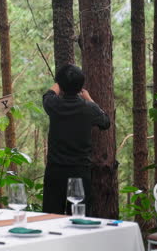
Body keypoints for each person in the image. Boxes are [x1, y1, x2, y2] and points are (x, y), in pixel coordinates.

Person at [42, 64, 110, 215]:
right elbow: (105, 122)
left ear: (61, 85)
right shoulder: (89, 108)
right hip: (80, 172)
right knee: (78, 218)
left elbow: (48, 95)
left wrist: (58, 83)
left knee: (51, 217)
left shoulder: (54, 104)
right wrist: (90, 99)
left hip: (55, 171)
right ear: (81, 86)